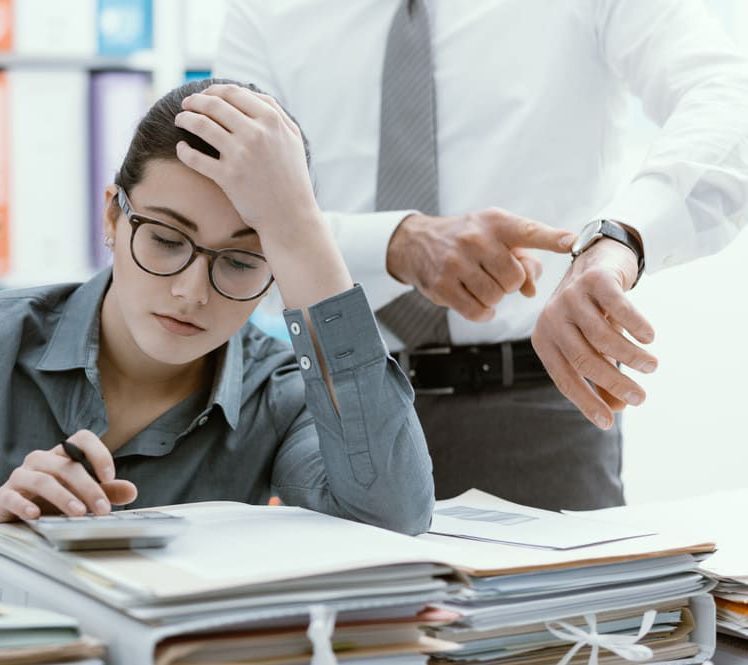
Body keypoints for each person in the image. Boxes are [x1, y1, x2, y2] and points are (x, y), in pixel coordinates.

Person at [0, 79, 435, 574]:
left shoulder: (282, 394)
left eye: (239, 261)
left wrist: (302, 233)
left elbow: (390, 518)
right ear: (111, 216)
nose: (190, 292)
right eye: (165, 238)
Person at [214, 0, 748, 510]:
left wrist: (620, 239)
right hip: (333, 409)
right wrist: (395, 243)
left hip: (538, 413)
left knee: (571, 606)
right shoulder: (263, 10)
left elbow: (727, 96)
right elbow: (226, 210)